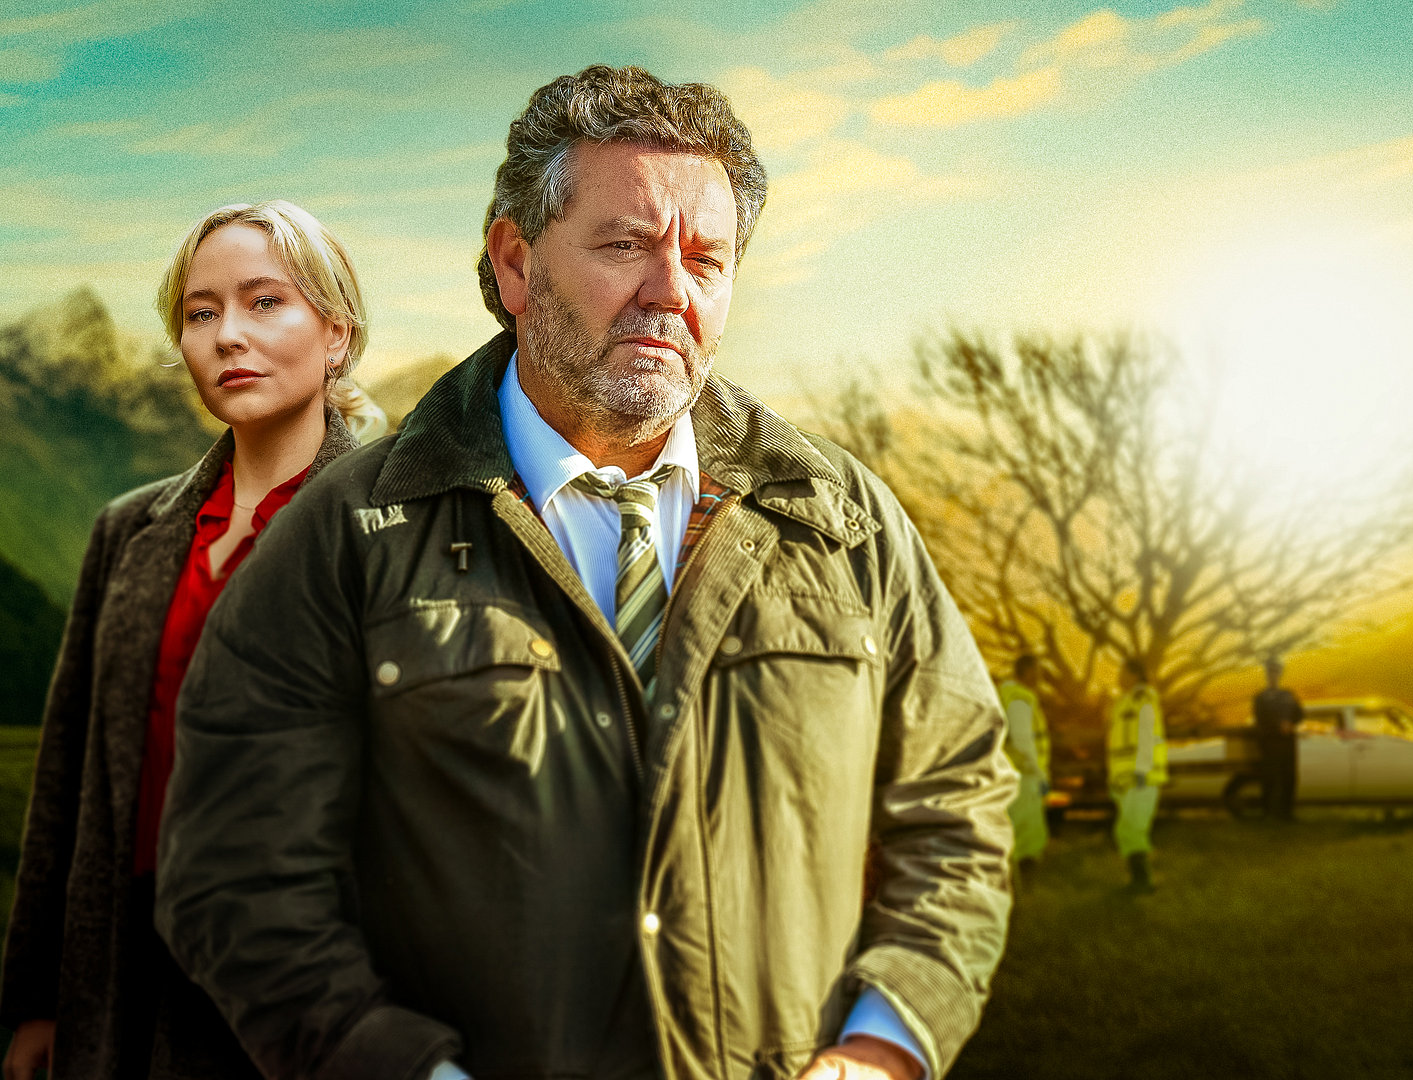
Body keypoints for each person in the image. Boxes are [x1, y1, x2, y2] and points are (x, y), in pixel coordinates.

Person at [155, 65, 1014, 1080]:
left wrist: (883, 1047)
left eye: (707, 259)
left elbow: (959, 801)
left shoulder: (846, 521)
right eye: (624, 247)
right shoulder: (343, 537)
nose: (670, 293)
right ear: (515, 264)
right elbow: (237, 878)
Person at [0, 200, 379, 1080]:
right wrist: (38, 998)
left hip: (306, 973)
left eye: (264, 302)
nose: (227, 336)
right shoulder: (128, 530)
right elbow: (67, 775)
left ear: (336, 335)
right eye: (201, 314)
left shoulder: (396, 532)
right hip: (122, 964)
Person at [1106, 659, 1167, 893]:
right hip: (1124, 778)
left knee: (1134, 828)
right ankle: (1138, 879)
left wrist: (1142, 769)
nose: (1118, 677)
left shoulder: (1144, 698)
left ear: (1135, 674)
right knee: (1125, 829)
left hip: (1141, 777)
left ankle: (1143, 881)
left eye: (1122, 672)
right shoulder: (1123, 702)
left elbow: (1146, 735)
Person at [998, 654, 1051, 876]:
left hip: (1020, 772)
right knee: (1025, 830)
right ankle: (1020, 882)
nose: (1040, 676)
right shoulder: (1019, 698)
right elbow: (1022, 740)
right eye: (1037, 671)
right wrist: (1039, 773)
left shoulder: (1013, 695)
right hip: (1024, 774)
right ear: (1027, 672)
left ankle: (1023, 882)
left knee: (1026, 828)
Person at [1252, 657, 1305, 821]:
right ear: (1267, 676)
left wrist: (1290, 723)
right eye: (1270, 673)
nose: (1273, 676)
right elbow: (1260, 719)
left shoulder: (1288, 695)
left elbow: (1300, 714)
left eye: (1276, 672)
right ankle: (1267, 812)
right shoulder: (1260, 697)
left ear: (1280, 675)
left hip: (1288, 743)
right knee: (1269, 778)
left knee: (1289, 778)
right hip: (1269, 743)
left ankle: (1287, 813)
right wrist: (1278, 725)